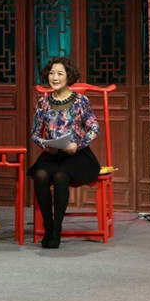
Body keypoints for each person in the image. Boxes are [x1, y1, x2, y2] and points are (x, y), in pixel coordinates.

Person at [27, 57, 101, 249]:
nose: (55, 77)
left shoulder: (80, 101)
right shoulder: (43, 102)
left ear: (69, 76)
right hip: (53, 153)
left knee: (61, 177)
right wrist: (45, 145)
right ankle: (49, 226)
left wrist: (78, 144)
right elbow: (35, 133)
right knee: (41, 175)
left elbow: (94, 129)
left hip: (77, 154)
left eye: (60, 73)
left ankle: (56, 229)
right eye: (52, 73)